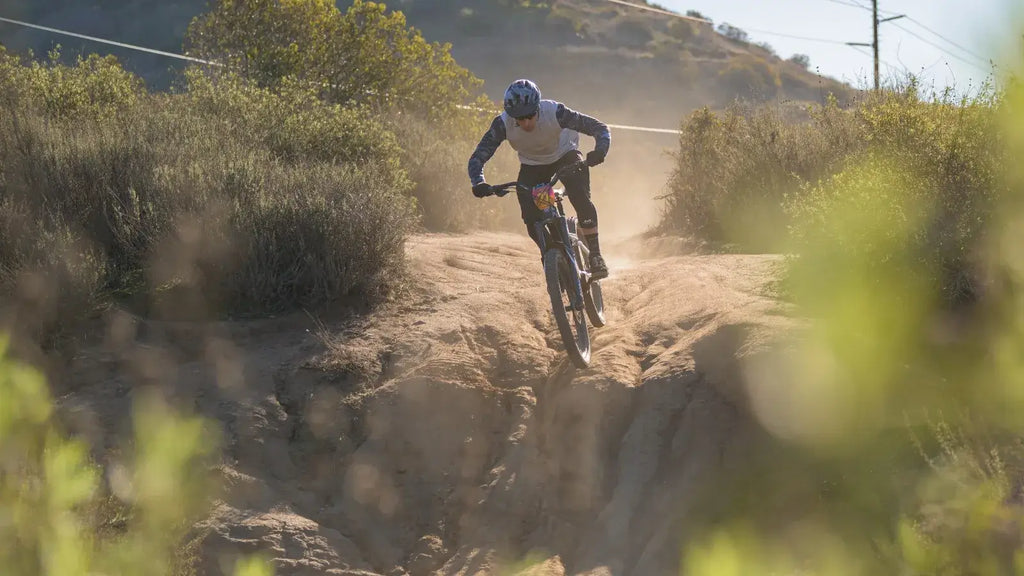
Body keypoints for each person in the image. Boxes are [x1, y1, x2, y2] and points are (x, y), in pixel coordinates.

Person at [468, 79, 611, 280]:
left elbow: (599, 128)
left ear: (537, 109)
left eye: (529, 116)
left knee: (580, 199)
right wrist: (478, 182)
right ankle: (553, 253)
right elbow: (478, 157)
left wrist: (599, 151)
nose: (525, 123)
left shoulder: (555, 112)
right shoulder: (503, 124)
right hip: (534, 166)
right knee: (532, 216)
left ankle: (595, 255)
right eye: (519, 119)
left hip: (566, 156)